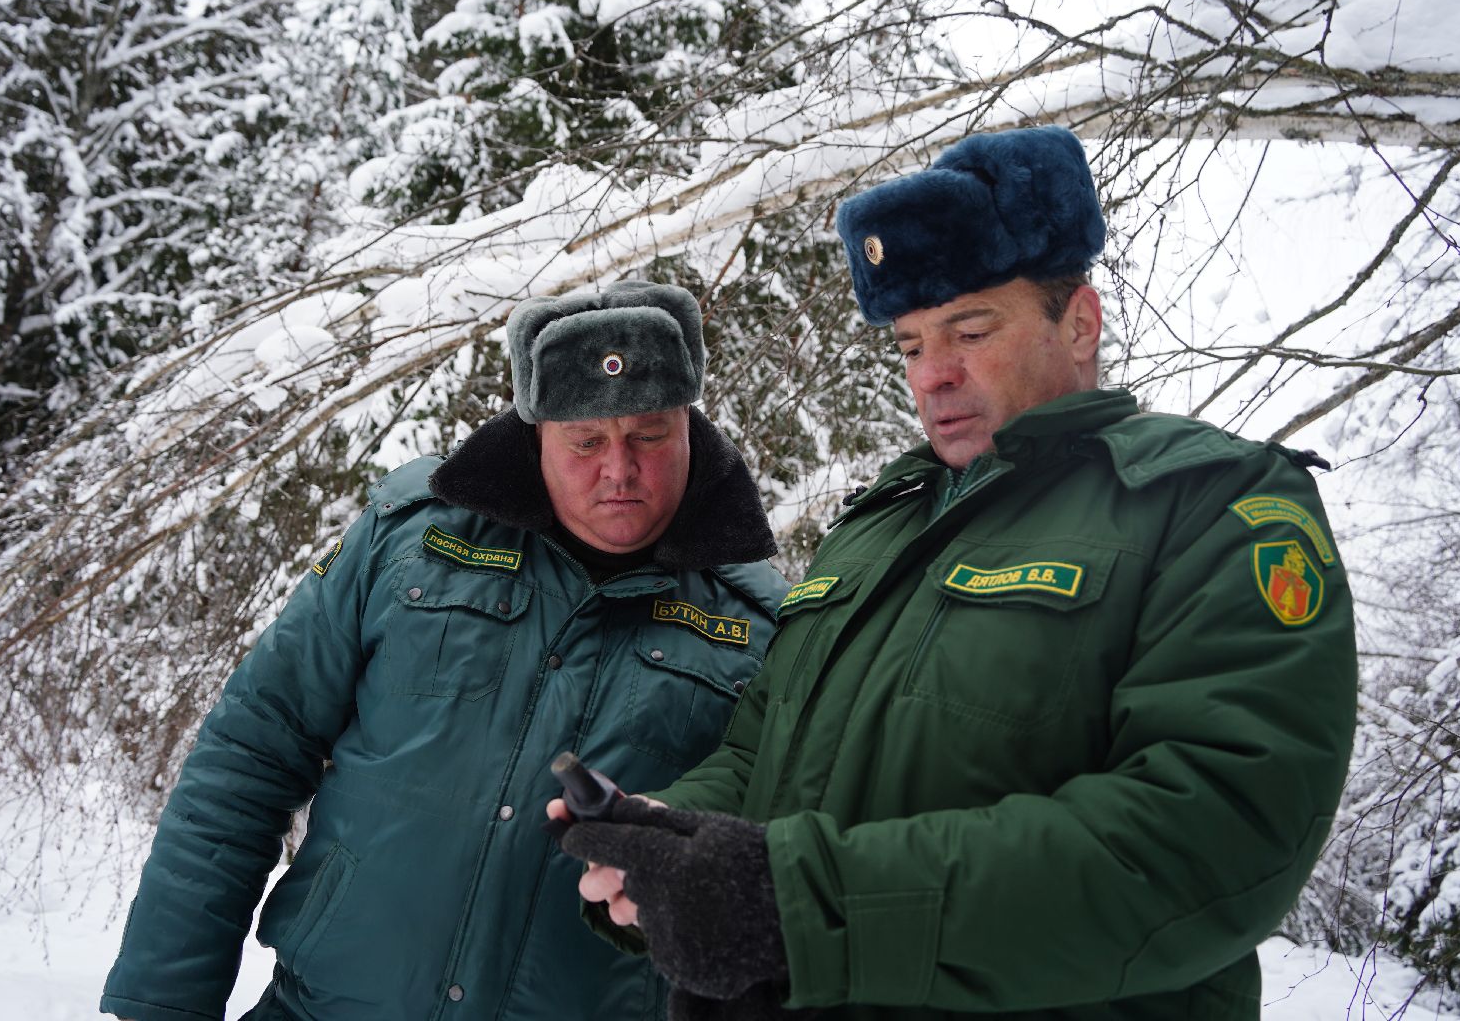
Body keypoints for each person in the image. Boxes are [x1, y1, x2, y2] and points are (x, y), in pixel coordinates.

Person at [554, 127, 1359, 1020]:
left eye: (970, 331)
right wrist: (672, 847)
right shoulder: (878, 525)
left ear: (1079, 322)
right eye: (908, 346)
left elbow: (1214, 836)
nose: (933, 375)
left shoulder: (1211, 503)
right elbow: (760, 757)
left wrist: (798, 908)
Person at [101, 281, 788, 1021]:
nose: (618, 470)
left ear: (689, 426)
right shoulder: (410, 540)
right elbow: (250, 754)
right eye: (585, 440)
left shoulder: (760, 627)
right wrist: (160, 1002)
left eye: (648, 435)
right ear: (536, 436)